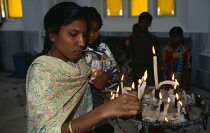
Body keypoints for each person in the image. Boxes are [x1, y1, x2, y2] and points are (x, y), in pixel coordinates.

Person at [26, 2, 141, 133]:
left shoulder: (78, 61)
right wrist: (104, 110)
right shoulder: (42, 72)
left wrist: (116, 109)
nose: (82, 42)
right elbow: (44, 130)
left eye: (84, 35)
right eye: (73, 34)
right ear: (52, 35)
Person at [82, 6, 119, 133]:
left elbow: (115, 71)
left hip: (96, 94)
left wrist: (105, 76)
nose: (92, 35)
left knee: (100, 124)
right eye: (88, 31)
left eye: (96, 30)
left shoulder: (102, 47)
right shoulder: (75, 47)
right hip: (77, 98)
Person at [128, 12, 160, 88]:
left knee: (148, 89)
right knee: (136, 88)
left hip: (148, 68)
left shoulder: (153, 39)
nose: (143, 25)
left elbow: (157, 54)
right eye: (141, 22)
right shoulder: (134, 38)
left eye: (146, 23)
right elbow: (130, 51)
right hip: (136, 68)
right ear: (138, 23)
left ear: (149, 24)